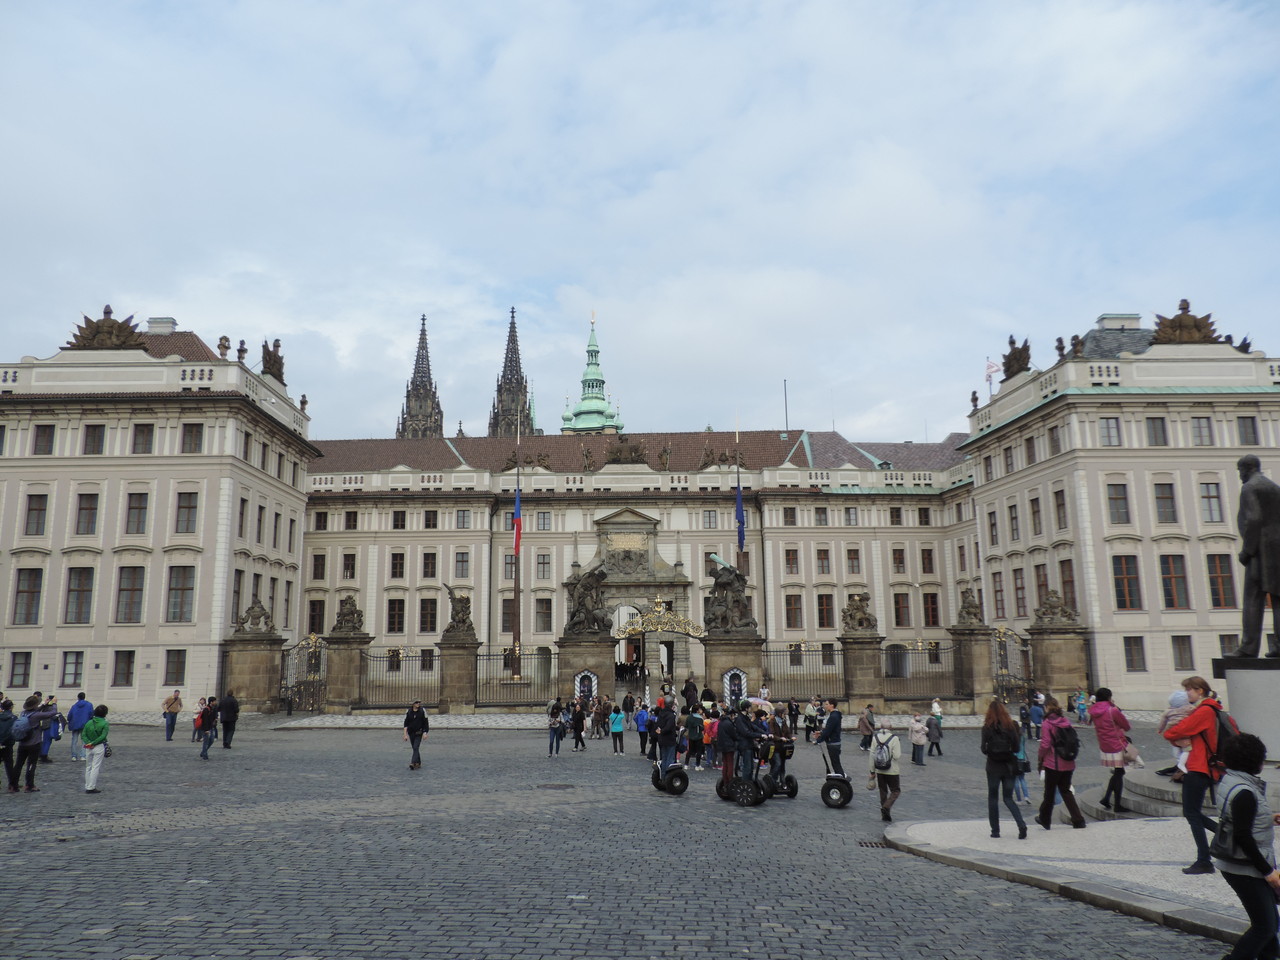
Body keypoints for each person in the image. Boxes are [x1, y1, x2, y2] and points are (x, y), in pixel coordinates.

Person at [1211, 732, 1280, 959]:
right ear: (1254, 761)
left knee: (1269, 923)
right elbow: (1243, 835)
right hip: (1246, 868)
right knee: (1265, 926)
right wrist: (1268, 872)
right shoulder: (1246, 792)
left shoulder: (1230, 780)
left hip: (1237, 864)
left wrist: (1268, 818)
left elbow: (1238, 820)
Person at [1163, 676, 1230, 875]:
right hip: (1207, 766)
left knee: (1191, 813)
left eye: (1189, 690)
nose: (1187, 694)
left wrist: (1175, 740)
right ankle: (1222, 839)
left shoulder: (1204, 711)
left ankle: (1205, 858)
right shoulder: (1213, 708)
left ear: (1200, 690)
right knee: (1192, 812)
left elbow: (1174, 731)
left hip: (1200, 766)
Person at [1229, 454, 1280, 657]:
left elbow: (1254, 519)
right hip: (1277, 549)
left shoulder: (1250, 487)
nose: (1240, 475)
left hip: (1260, 551)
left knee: (1253, 598)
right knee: (1278, 599)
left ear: (1247, 468)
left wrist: (1247, 550)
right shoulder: (1274, 488)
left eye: (1240, 470)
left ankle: (1248, 647)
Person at [1034, 698, 1087, 830]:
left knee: (1049, 793)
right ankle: (1078, 820)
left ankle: (1045, 819)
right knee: (1066, 791)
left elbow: (1045, 744)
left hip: (1054, 763)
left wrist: (1040, 757)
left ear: (1046, 707)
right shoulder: (1065, 721)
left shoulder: (1047, 723)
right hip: (1069, 762)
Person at [980, 699, 1027, 839]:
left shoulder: (987, 727)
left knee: (993, 798)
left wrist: (992, 751)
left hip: (993, 767)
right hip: (1009, 767)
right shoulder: (1011, 726)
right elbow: (1017, 748)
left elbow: (983, 749)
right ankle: (1021, 824)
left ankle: (995, 831)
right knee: (1008, 798)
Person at [1088, 687, 1131, 814]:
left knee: (1118, 771)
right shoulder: (1112, 710)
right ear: (1108, 697)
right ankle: (1117, 804)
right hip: (1117, 744)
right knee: (1119, 773)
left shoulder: (1094, 711)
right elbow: (1126, 726)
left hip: (1105, 745)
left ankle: (1106, 798)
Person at [12, 695, 58, 792]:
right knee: (31, 765)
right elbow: (53, 713)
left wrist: (43, 704)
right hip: (34, 744)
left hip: (22, 743)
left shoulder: (23, 713)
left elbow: (34, 711)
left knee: (19, 764)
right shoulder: (37, 716)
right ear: (35, 705)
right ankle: (29, 785)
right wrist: (54, 703)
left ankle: (13, 785)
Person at [1155, 689, 1194, 780]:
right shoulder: (1190, 708)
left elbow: (1162, 722)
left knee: (1176, 746)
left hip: (1172, 732)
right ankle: (1182, 763)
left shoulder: (1168, 711)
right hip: (1185, 733)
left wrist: (1159, 730)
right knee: (1186, 750)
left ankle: (1178, 761)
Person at [869, 720, 902, 822]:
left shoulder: (875, 738)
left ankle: (885, 815)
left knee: (883, 791)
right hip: (892, 770)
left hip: (879, 770)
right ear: (890, 727)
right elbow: (897, 756)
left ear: (880, 727)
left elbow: (872, 755)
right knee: (895, 791)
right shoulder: (894, 738)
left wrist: (872, 771)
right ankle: (886, 807)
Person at [82, 705, 110, 794]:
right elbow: (103, 736)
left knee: (88, 767)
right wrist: (94, 743)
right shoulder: (105, 723)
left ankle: (87, 785)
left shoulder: (89, 722)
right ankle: (91, 786)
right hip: (98, 746)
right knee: (95, 767)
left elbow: (83, 735)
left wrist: (88, 742)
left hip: (88, 746)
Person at [814, 698, 844, 776]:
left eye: (827, 704)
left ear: (832, 705)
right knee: (835, 764)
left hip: (833, 743)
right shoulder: (834, 715)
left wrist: (818, 740)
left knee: (836, 765)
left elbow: (828, 731)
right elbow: (830, 729)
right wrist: (820, 732)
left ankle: (841, 781)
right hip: (834, 741)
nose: (825, 706)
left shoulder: (833, 716)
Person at [66, 692, 94, 761]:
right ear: (84, 697)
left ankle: (74, 756)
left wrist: (70, 721)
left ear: (78, 697)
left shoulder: (74, 706)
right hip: (85, 724)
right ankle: (83, 756)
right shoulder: (89, 705)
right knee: (84, 740)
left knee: (74, 741)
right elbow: (91, 715)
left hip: (75, 725)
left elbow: (69, 716)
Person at [403, 700, 430, 769]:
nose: (418, 704)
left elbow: (426, 723)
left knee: (415, 747)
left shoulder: (422, 711)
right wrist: (405, 734)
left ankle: (413, 762)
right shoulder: (408, 712)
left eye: (419, 702)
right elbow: (406, 724)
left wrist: (425, 733)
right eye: (416, 702)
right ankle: (418, 762)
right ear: (413, 704)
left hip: (419, 732)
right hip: (411, 732)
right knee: (415, 748)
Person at [0, 699, 16, 788]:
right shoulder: (13, 718)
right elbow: (13, 731)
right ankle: (12, 783)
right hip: (8, 743)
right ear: (11, 707)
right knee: (9, 764)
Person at [684, 704, 705, 770]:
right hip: (698, 736)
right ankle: (697, 765)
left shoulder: (689, 717)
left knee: (690, 750)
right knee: (698, 751)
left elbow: (686, 725)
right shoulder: (700, 718)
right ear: (697, 710)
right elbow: (702, 728)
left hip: (691, 736)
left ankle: (686, 764)